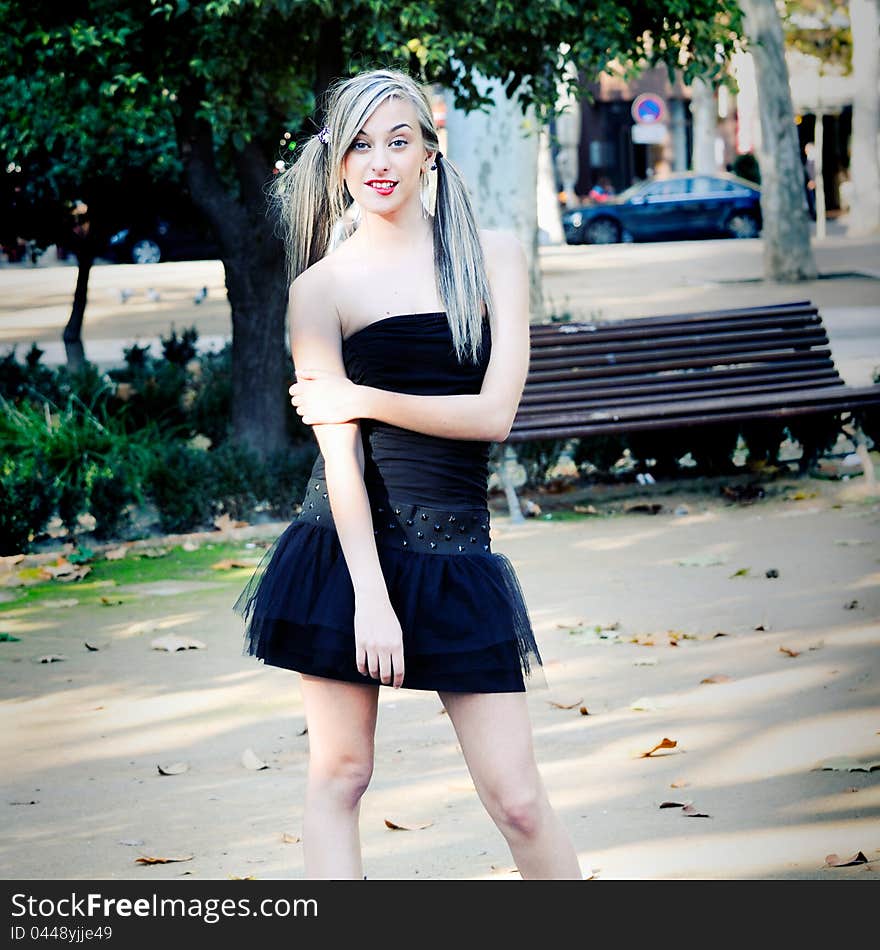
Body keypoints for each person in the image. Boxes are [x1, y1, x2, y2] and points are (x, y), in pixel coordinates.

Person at [233, 67, 582, 881]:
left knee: (519, 800)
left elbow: (495, 415)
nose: (380, 160)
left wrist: (358, 392)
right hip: (346, 555)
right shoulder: (321, 289)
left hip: (459, 554)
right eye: (361, 144)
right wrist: (372, 599)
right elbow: (340, 456)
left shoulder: (493, 257)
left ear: (430, 148)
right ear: (338, 162)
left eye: (399, 139)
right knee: (342, 775)